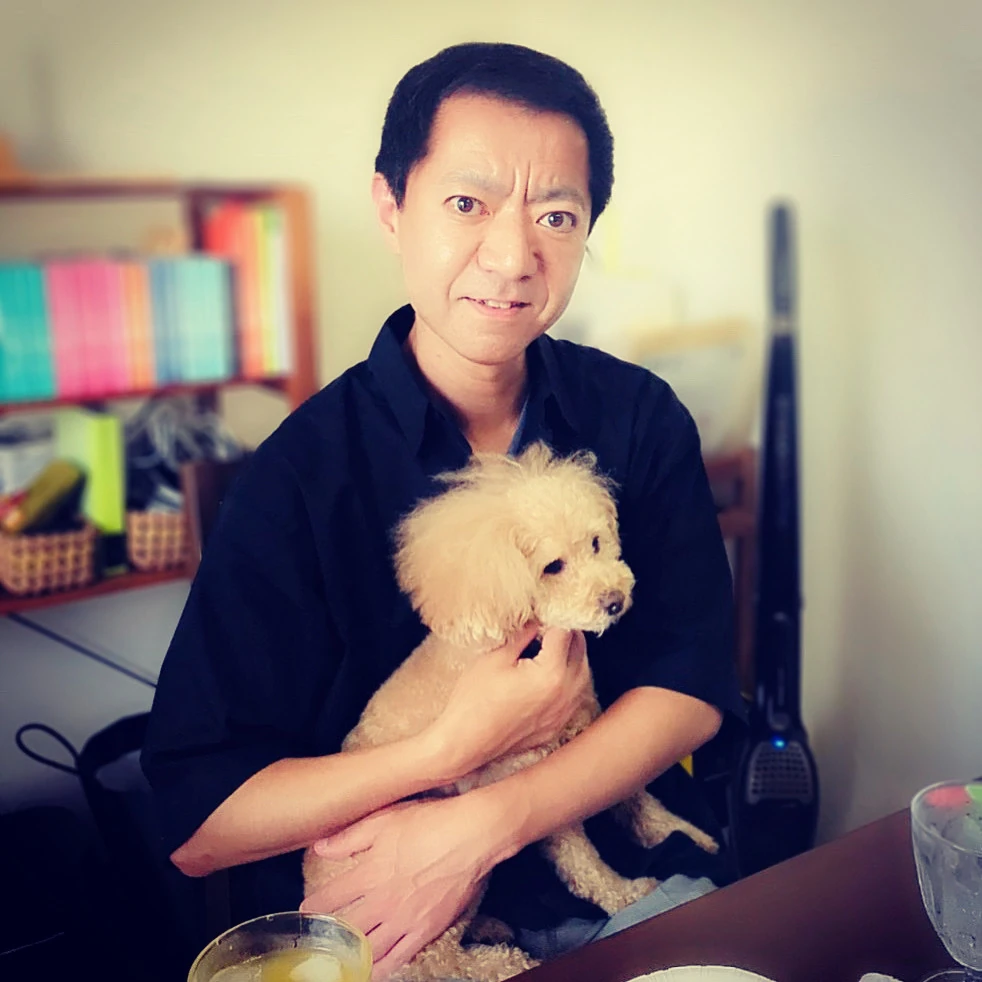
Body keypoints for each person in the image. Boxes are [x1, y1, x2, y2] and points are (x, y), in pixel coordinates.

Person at [142, 41, 746, 980]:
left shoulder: (639, 416)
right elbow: (201, 824)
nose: (512, 257)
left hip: (625, 889)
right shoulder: (298, 476)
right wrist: (447, 750)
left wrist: (485, 824)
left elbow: (692, 687)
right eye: (468, 204)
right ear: (392, 207)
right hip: (389, 933)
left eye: (556, 216)